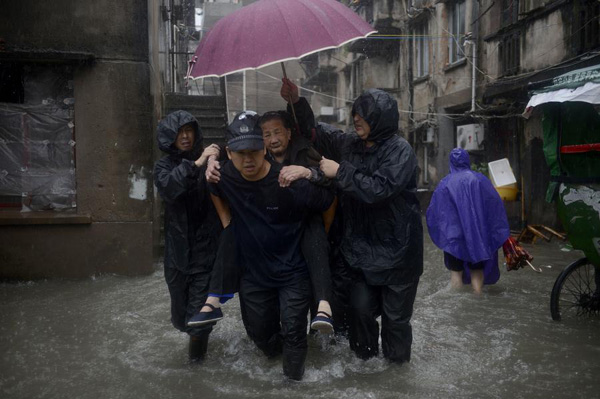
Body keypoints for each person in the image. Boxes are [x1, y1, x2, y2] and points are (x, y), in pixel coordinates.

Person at [280, 79, 423, 363]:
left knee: (395, 322)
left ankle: (396, 373)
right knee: (360, 312)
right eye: (355, 114)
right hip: (359, 252)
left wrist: (340, 172)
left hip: (399, 253)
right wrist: (296, 102)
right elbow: (314, 133)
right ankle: (365, 368)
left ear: (379, 119)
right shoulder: (349, 145)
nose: (356, 119)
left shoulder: (400, 151)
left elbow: (379, 189)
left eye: (364, 116)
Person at [197, 111, 333, 380]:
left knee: (294, 332)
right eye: (240, 153)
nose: (248, 160)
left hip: (293, 273)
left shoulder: (287, 180)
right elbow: (213, 190)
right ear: (229, 153)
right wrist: (226, 220)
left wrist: (322, 233)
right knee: (261, 336)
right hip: (255, 276)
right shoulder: (224, 176)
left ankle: (292, 384)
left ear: (264, 149)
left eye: (254, 151)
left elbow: (328, 200)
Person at [153, 110, 221, 361]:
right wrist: (195, 164)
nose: (185, 136)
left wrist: (212, 161)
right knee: (181, 318)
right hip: (177, 255)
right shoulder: (163, 167)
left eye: (189, 130)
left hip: (205, 253)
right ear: (170, 136)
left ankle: (196, 366)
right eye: (180, 131)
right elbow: (171, 189)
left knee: (198, 319)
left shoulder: (210, 162)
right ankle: (196, 341)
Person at [426, 148, 510, 294]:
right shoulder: (480, 180)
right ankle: (478, 297)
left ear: (451, 162)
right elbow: (494, 205)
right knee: (477, 270)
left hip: (454, 237)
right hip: (477, 234)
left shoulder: (445, 183)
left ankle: (457, 301)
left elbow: (434, 211)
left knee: (456, 273)